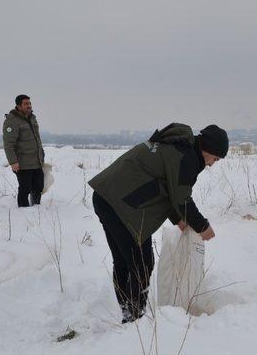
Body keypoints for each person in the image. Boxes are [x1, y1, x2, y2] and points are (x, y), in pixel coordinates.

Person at [88, 123, 228, 323]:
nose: (212, 164)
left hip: (105, 197)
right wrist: (202, 226)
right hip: (120, 206)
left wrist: (178, 218)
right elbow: (181, 199)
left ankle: (129, 313)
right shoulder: (186, 157)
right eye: (215, 158)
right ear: (208, 148)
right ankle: (135, 318)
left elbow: (166, 187)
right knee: (142, 264)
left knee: (124, 261)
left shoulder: (177, 147)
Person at [2, 94, 45, 207]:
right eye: (26, 104)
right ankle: (23, 211)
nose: (29, 106)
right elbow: (8, 144)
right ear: (18, 106)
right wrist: (13, 162)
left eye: (30, 103)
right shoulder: (12, 121)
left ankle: (36, 208)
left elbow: (37, 139)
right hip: (23, 163)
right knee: (25, 189)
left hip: (36, 161)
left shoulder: (32, 118)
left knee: (38, 187)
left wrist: (42, 155)